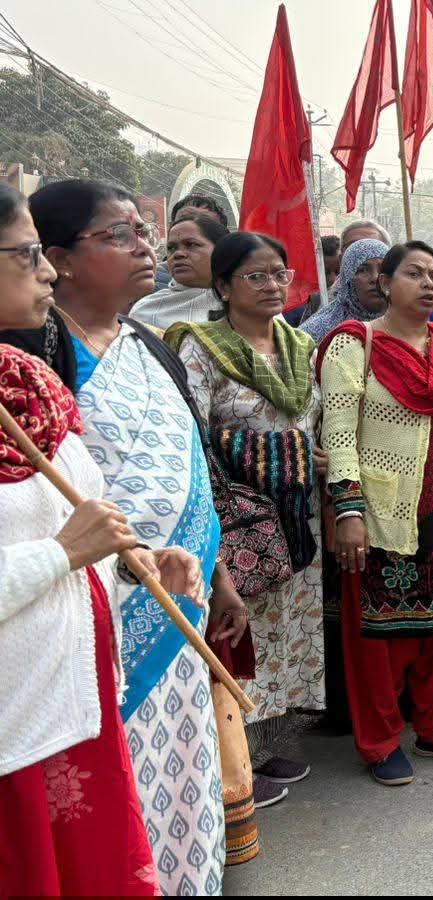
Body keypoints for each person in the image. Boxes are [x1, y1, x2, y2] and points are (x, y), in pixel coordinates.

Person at [30, 177, 242, 893]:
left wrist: (219, 575)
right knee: (111, 784)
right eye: (118, 235)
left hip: (180, 596)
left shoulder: (150, 345)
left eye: (140, 232)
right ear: (57, 257)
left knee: (185, 761)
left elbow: (193, 468)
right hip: (94, 617)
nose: (145, 247)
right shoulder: (36, 358)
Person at [0, 182, 168, 896]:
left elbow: (79, 515)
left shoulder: (30, 383)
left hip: (77, 708)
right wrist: (63, 553)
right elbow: (62, 543)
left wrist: (135, 561)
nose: (46, 271)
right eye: (26, 254)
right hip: (12, 737)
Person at [318, 241, 433, 786]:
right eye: (413, 274)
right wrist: (347, 511)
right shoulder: (354, 344)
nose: (428, 284)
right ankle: (379, 742)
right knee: (380, 636)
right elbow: (339, 435)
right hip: (384, 510)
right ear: (385, 283)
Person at [167, 230, 326, 803]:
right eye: (255, 276)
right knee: (238, 630)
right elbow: (192, 433)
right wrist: (290, 453)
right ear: (223, 286)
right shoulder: (200, 346)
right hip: (236, 515)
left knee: (285, 627)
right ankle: (230, 762)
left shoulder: (300, 345)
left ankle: (262, 743)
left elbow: (314, 423)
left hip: (296, 516)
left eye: (280, 273)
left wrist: (312, 457)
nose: (272, 285)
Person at [129, 213, 228, 328]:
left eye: (191, 244)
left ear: (221, 250)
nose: (178, 254)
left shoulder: (239, 306)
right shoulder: (144, 310)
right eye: (171, 248)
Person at [300, 237, 391, 343]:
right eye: (362, 270)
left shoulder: (404, 323)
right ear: (347, 280)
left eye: (382, 269)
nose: (375, 278)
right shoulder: (315, 333)